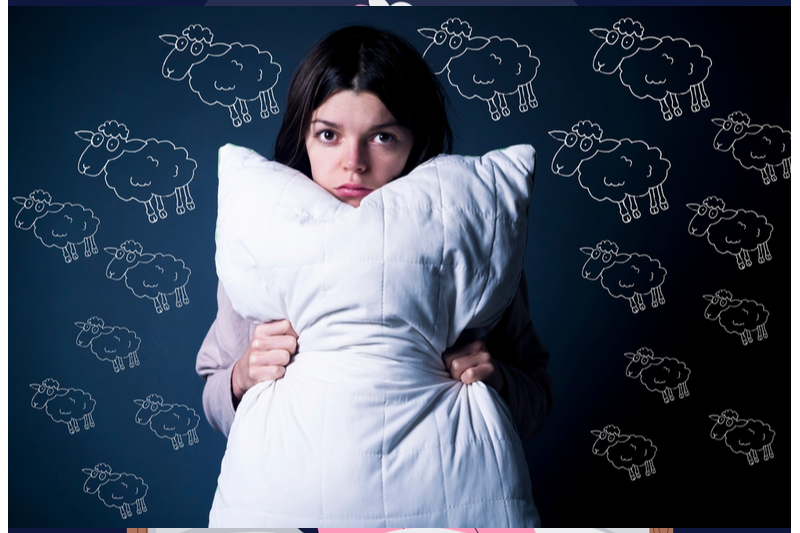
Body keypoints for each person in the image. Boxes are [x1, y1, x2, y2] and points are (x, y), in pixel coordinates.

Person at [196, 24, 552, 525]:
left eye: (383, 137)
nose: (353, 163)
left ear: (416, 140)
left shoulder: (466, 237)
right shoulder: (265, 241)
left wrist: (499, 380)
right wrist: (240, 376)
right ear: (303, 135)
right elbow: (215, 392)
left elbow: (536, 394)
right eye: (329, 134)